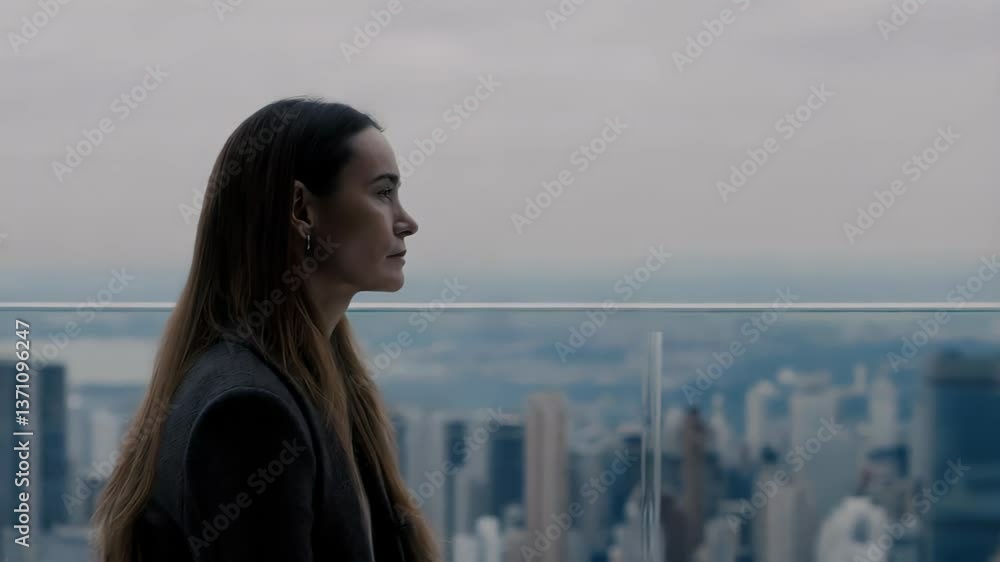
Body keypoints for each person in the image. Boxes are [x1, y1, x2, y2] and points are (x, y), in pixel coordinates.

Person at [92, 97, 439, 561]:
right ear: (302, 210)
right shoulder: (250, 412)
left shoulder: (305, 379)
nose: (407, 222)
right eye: (383, 192)